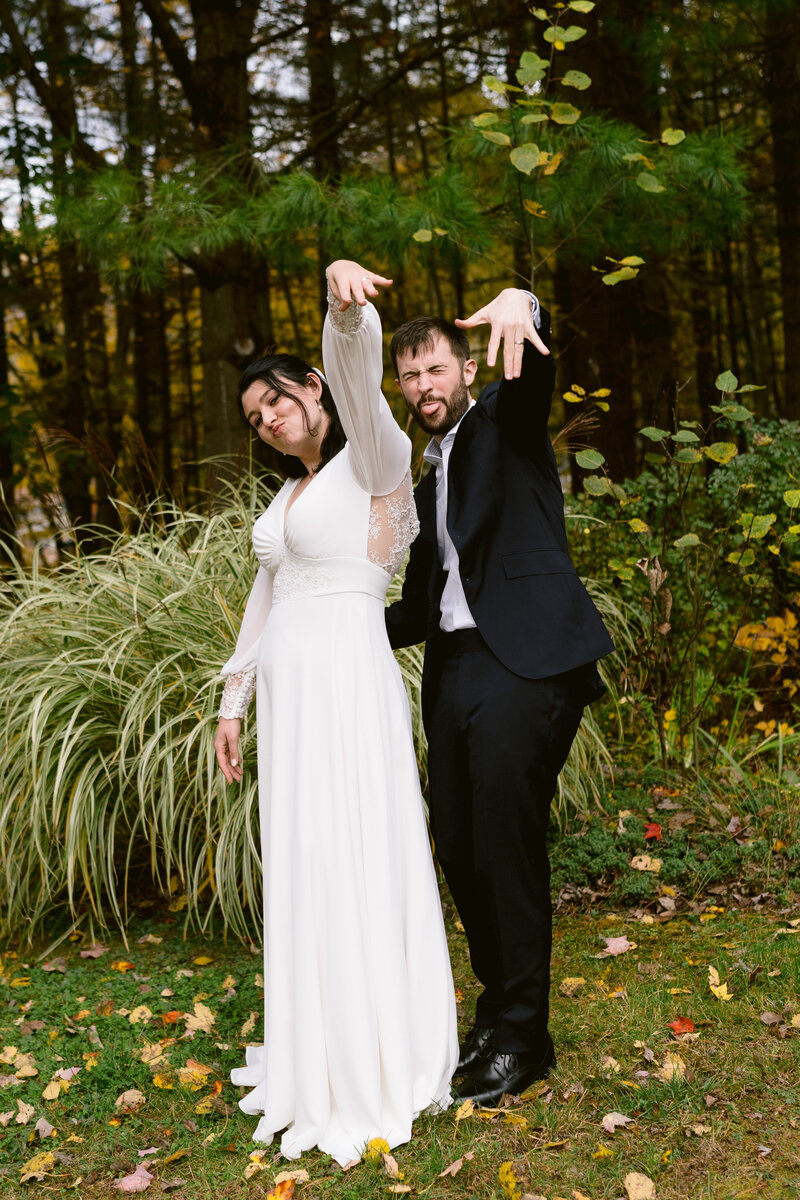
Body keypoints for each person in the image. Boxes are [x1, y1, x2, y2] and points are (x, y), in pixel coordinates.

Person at [214, 259, 457, 1166]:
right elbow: (264, 596)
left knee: (356, 844)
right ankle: (312, 1047)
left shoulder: (374, 457)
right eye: (254, 421)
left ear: (309, 387)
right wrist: (234, 700)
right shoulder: (289, 495)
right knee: (307, 854)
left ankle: (374, 1053)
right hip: (291, 695)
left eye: (274, 402)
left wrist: (341, 312)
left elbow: (358, 376)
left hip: (349, 684)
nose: (268, 422)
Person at [385, 285, 614, 1106]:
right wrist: (330, 638)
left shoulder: (501, 426)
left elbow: (531, 382)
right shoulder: (425, 479)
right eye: (407, 375)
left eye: (434, 366)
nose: (421, 385)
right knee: (458, 840)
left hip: (525, 661)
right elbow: (416, 607)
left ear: (467, 366)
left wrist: (528, 306)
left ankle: (525, 1034)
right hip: (453, 668)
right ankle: (498, 1011)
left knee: (503, 835)